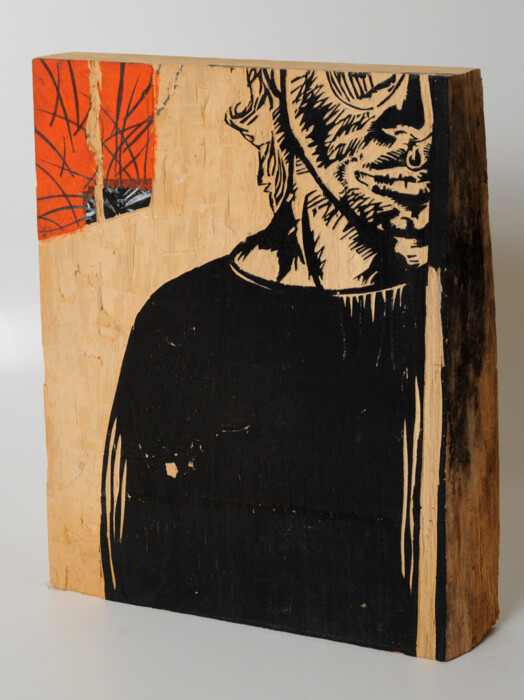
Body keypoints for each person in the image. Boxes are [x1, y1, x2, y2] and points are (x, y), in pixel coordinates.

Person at [101, 67, 434, 654]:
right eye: (366, 81)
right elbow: (137, 590)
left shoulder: (443, 328)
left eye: (430, 91)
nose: (418, 120)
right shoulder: (180, 324)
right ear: (279, 88)